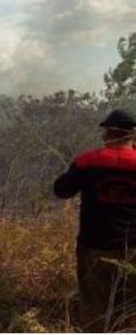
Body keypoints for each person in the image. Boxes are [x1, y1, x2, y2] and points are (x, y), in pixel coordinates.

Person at [54, 109, 136, 331]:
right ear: (132, 136)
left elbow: (61, 190)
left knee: (94, 307)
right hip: (132, 249)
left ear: (109, 133)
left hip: (95, 247)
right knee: (130, 309)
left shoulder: (87, 161)